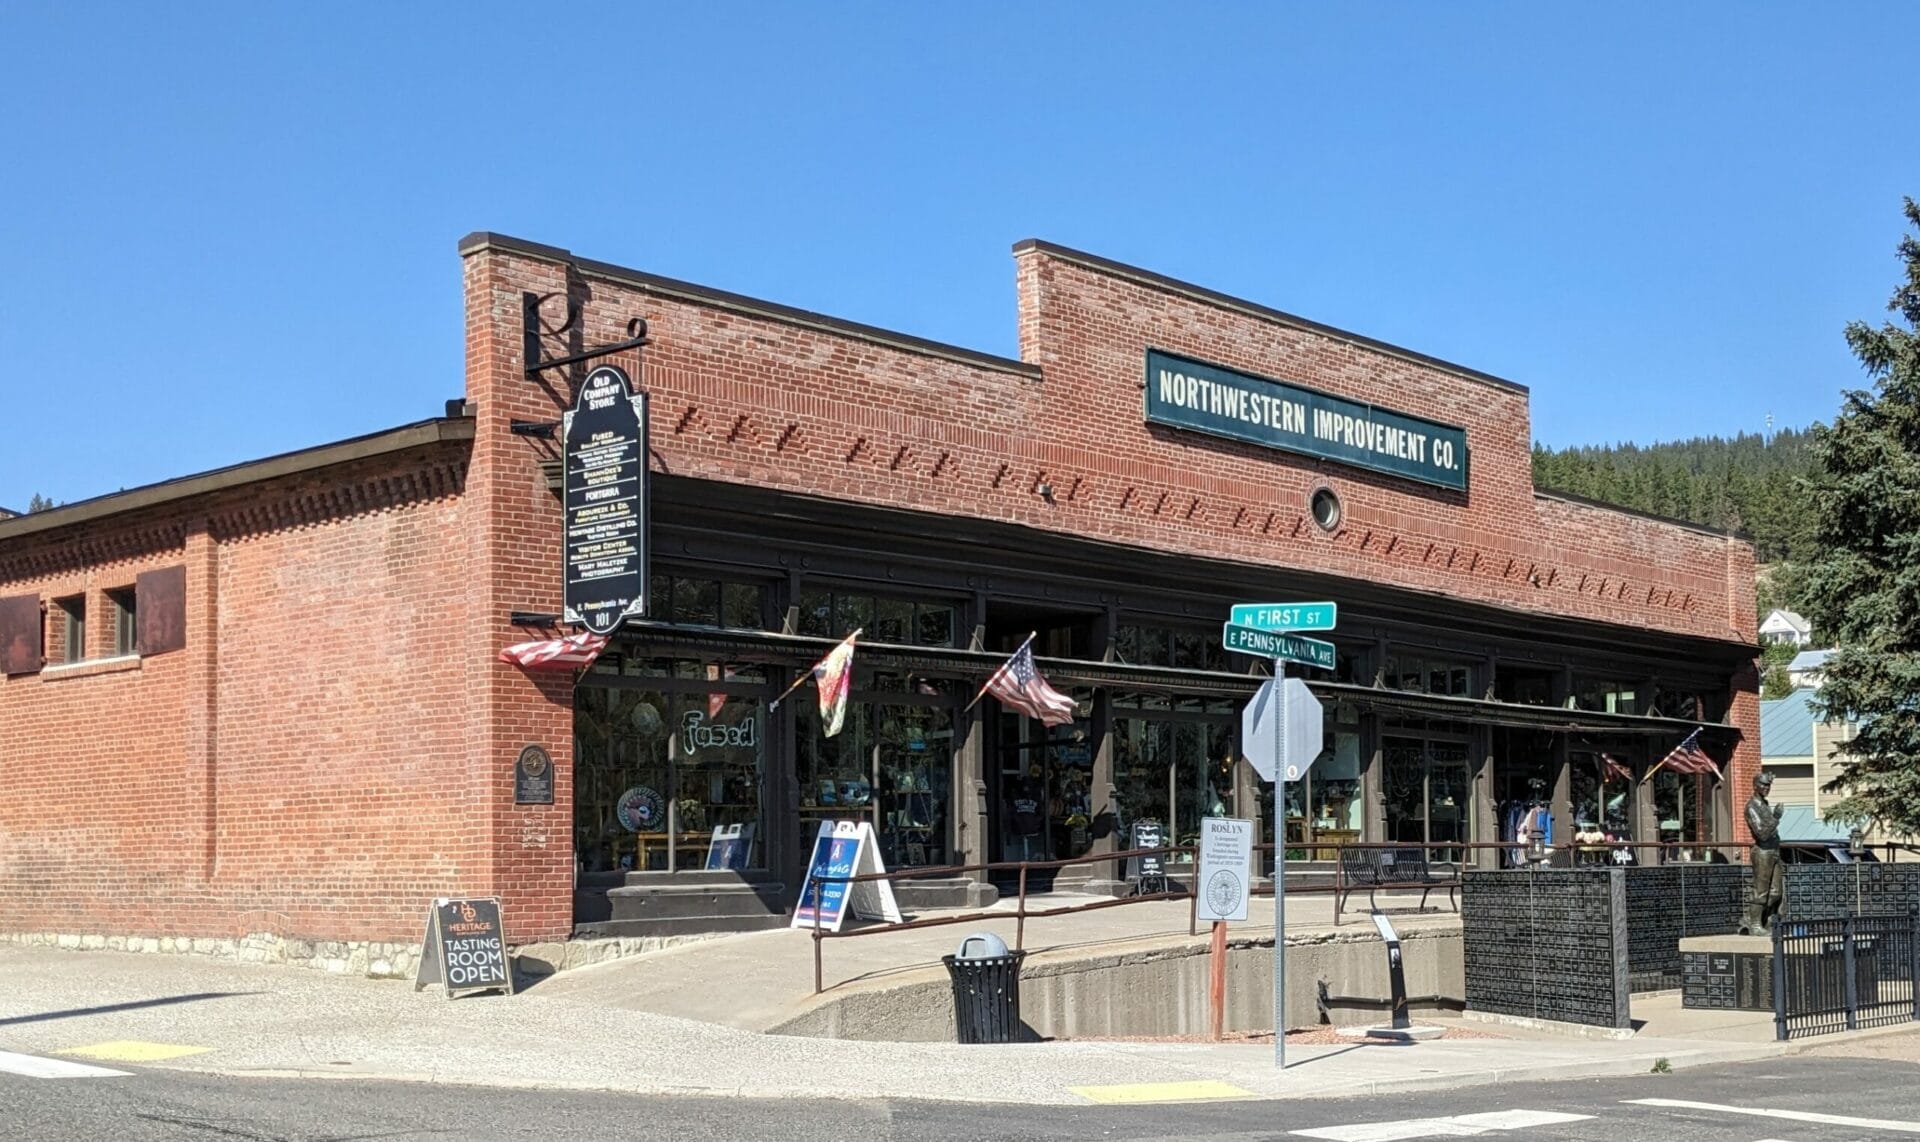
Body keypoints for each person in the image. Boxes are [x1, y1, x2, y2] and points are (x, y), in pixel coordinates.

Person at [1741, 771, 1786, 935]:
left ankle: (1765, 922)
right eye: (1763, 784)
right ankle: (1754, 924)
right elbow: (1762, 833)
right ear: (1755, 786)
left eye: (1768, 785)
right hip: (1762, 852)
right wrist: (1776, 817)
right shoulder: (1751, 807)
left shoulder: (1764, 804)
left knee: (1776, 892)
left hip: (1773, 851)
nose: (1767, 788)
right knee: (1761, 890)